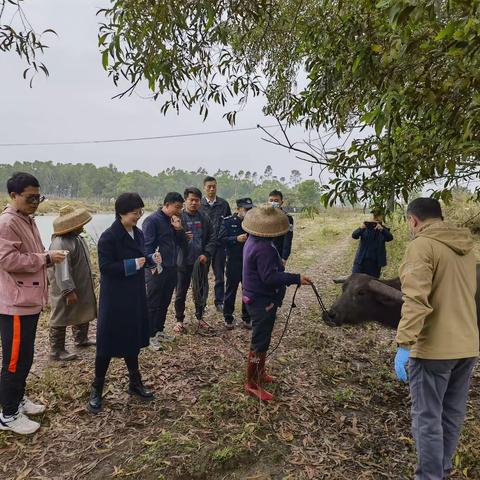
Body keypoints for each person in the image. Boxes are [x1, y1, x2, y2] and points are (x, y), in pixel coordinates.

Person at [394, 198, 478, 480]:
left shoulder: (422, 246)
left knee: (428, 418)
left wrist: (404, 344)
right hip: (467, 345)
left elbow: (416, 300)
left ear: (413, 220)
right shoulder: (467, 248)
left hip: (434, 351)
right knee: (451, 415)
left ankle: (429, 477)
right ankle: (441, 469)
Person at [0, 172, 67, 435]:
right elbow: (9, 261)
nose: (36, 202)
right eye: (31, 197)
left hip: (28, 299)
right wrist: (46, 258)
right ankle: (8, 414)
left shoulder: (26, 219)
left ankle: (16, 399)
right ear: (13, 195)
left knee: (25, 357)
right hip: (14, 304)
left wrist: (44, 258)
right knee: (14, 360)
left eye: (39, 197)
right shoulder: (6, 223)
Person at [87, 193, 161, 414]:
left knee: (132, 339)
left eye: (140, 212)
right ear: (121, 213)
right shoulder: (109, 237)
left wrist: (150, 261)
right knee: (106, 343)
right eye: (134, 213)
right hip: (115, 297)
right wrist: (133, 264)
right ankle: (97, 388)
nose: (138, 217)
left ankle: (135, 382)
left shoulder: (138, 234)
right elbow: (106, 268)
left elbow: (142, 258)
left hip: (135, 294)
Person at [242, 204, 311, 401]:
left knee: (263, 339)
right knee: (259, 341)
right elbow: (270, 277)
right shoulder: (264, 248)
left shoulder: (252, 240)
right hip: (261, 300)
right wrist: (295, 278)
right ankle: (252, 383)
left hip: (255, 296)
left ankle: (259, 372)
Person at [48, 206, 97, 361]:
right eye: (78, 224)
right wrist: (68, 290)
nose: (82, 226)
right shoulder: (60, 243)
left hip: (80, 282)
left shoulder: (77, 238)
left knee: (83, 308)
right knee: (60, 315)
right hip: (64, 286)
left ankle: (81, 339)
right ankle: (56, 350)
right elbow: (62, 270)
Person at [143, 192, 187, 350]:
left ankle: (159, 331)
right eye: (177, 207)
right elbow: (146, 246)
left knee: (165, 301)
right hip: (156, 269)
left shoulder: (173, 221)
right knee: (153, 302)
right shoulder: (152, 221)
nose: (179, 210)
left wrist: (179, 228)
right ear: (167, 204)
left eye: (181, 207)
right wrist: (152, 267)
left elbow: (182, 243)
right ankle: (148, 336)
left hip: (172, 267)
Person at [174, 187, 216, 334]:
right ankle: (179, 320)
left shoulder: (204, 218)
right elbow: (171, 239)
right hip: (182, 263)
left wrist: (206, 253)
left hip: (200, 262)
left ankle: (200, 317)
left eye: (197, 200)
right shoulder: (178, 217)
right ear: (186, 200)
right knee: (180, 292)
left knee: (200, 290)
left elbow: (212, 237)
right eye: (191, 200)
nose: (194, 203)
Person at [218, 197, 254, 330]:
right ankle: (228, 317)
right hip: (234, 260)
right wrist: (236, 239)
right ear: (238, 209)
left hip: (250, 262)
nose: (249, 212)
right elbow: (220, 239)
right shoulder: (228, 222)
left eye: (251, 209)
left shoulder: (254, 222)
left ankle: (247, 317)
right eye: (246, 209)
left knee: (248, 290)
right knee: (231, 290)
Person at [200, 176, 231, 312]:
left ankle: (219, 301)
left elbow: (229, 223)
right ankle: (201, 302)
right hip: (204, 247)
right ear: (204, 188)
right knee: (202, 275)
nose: (212, 189)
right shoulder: (199, 204)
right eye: (209, 187)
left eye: (214, 186)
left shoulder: (223, 204)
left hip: (219, 246)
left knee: (219, 276)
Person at [351, 210, 393, 278]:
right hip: (361, 260)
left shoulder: (382, 229)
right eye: (374, 216)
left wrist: (382, 229)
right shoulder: (365, 227)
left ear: (381, 217)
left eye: (377, 216)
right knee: (355, 281)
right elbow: (354, 235)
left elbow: (390, 238)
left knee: (372, 284)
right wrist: (361, 228)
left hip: (375, 263)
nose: (375, 218)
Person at [268, 190, 294, 266]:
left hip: (278, 252)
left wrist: (284, 258)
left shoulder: (287, 218)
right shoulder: (263, 216)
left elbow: (288, 238)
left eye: (276, 201)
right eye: (271, 200)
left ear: (281, 203)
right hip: (263, 251)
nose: (273, 203)